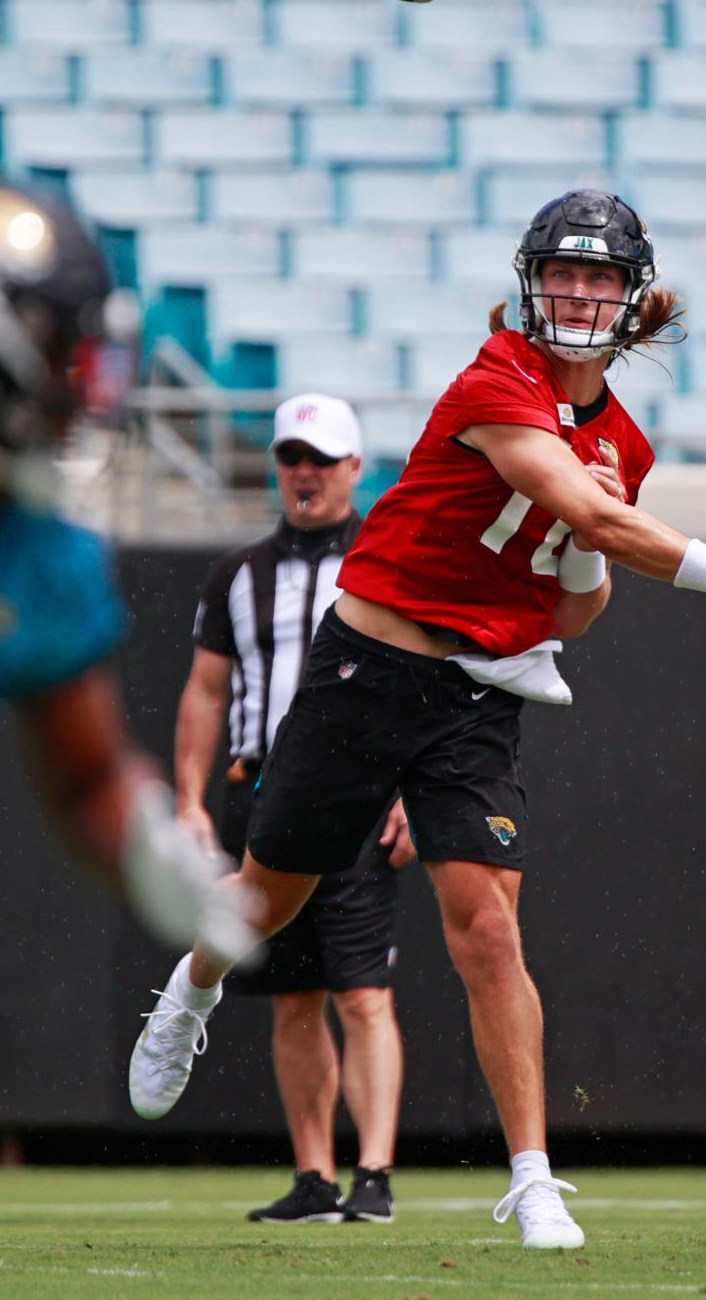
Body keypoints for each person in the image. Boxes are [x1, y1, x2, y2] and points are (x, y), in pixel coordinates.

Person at [128, 190, 706, 1250]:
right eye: (563, 274)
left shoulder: (623, 443)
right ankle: (191, 986)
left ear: (628, 297)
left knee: (491, 934)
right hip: (369, 662)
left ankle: (535, 1179)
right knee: (267, 900)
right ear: (530, 282)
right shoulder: (498, 375)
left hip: (480, 691)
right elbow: (586, 509)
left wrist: (592, 539)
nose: (579, 294)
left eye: (600, 279)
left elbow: (576, 605)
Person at [0, 170, 255, 963]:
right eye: (59, 354)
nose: (82, 392)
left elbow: (87, 776)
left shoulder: (34, 551)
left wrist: (148, 841)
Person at [138, 393, 413, 1224]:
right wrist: (188, 799)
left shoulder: (390, 557)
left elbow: (423, 680)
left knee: (363, 993)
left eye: (322, 460)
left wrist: (409, 786)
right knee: (293, 999)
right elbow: (206, 691)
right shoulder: (238, 574)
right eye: (293, 457)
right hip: (259, 793)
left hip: (363, 793)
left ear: (355, 470)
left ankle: (375, 1174)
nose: (306, 474)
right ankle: (315, 1177)